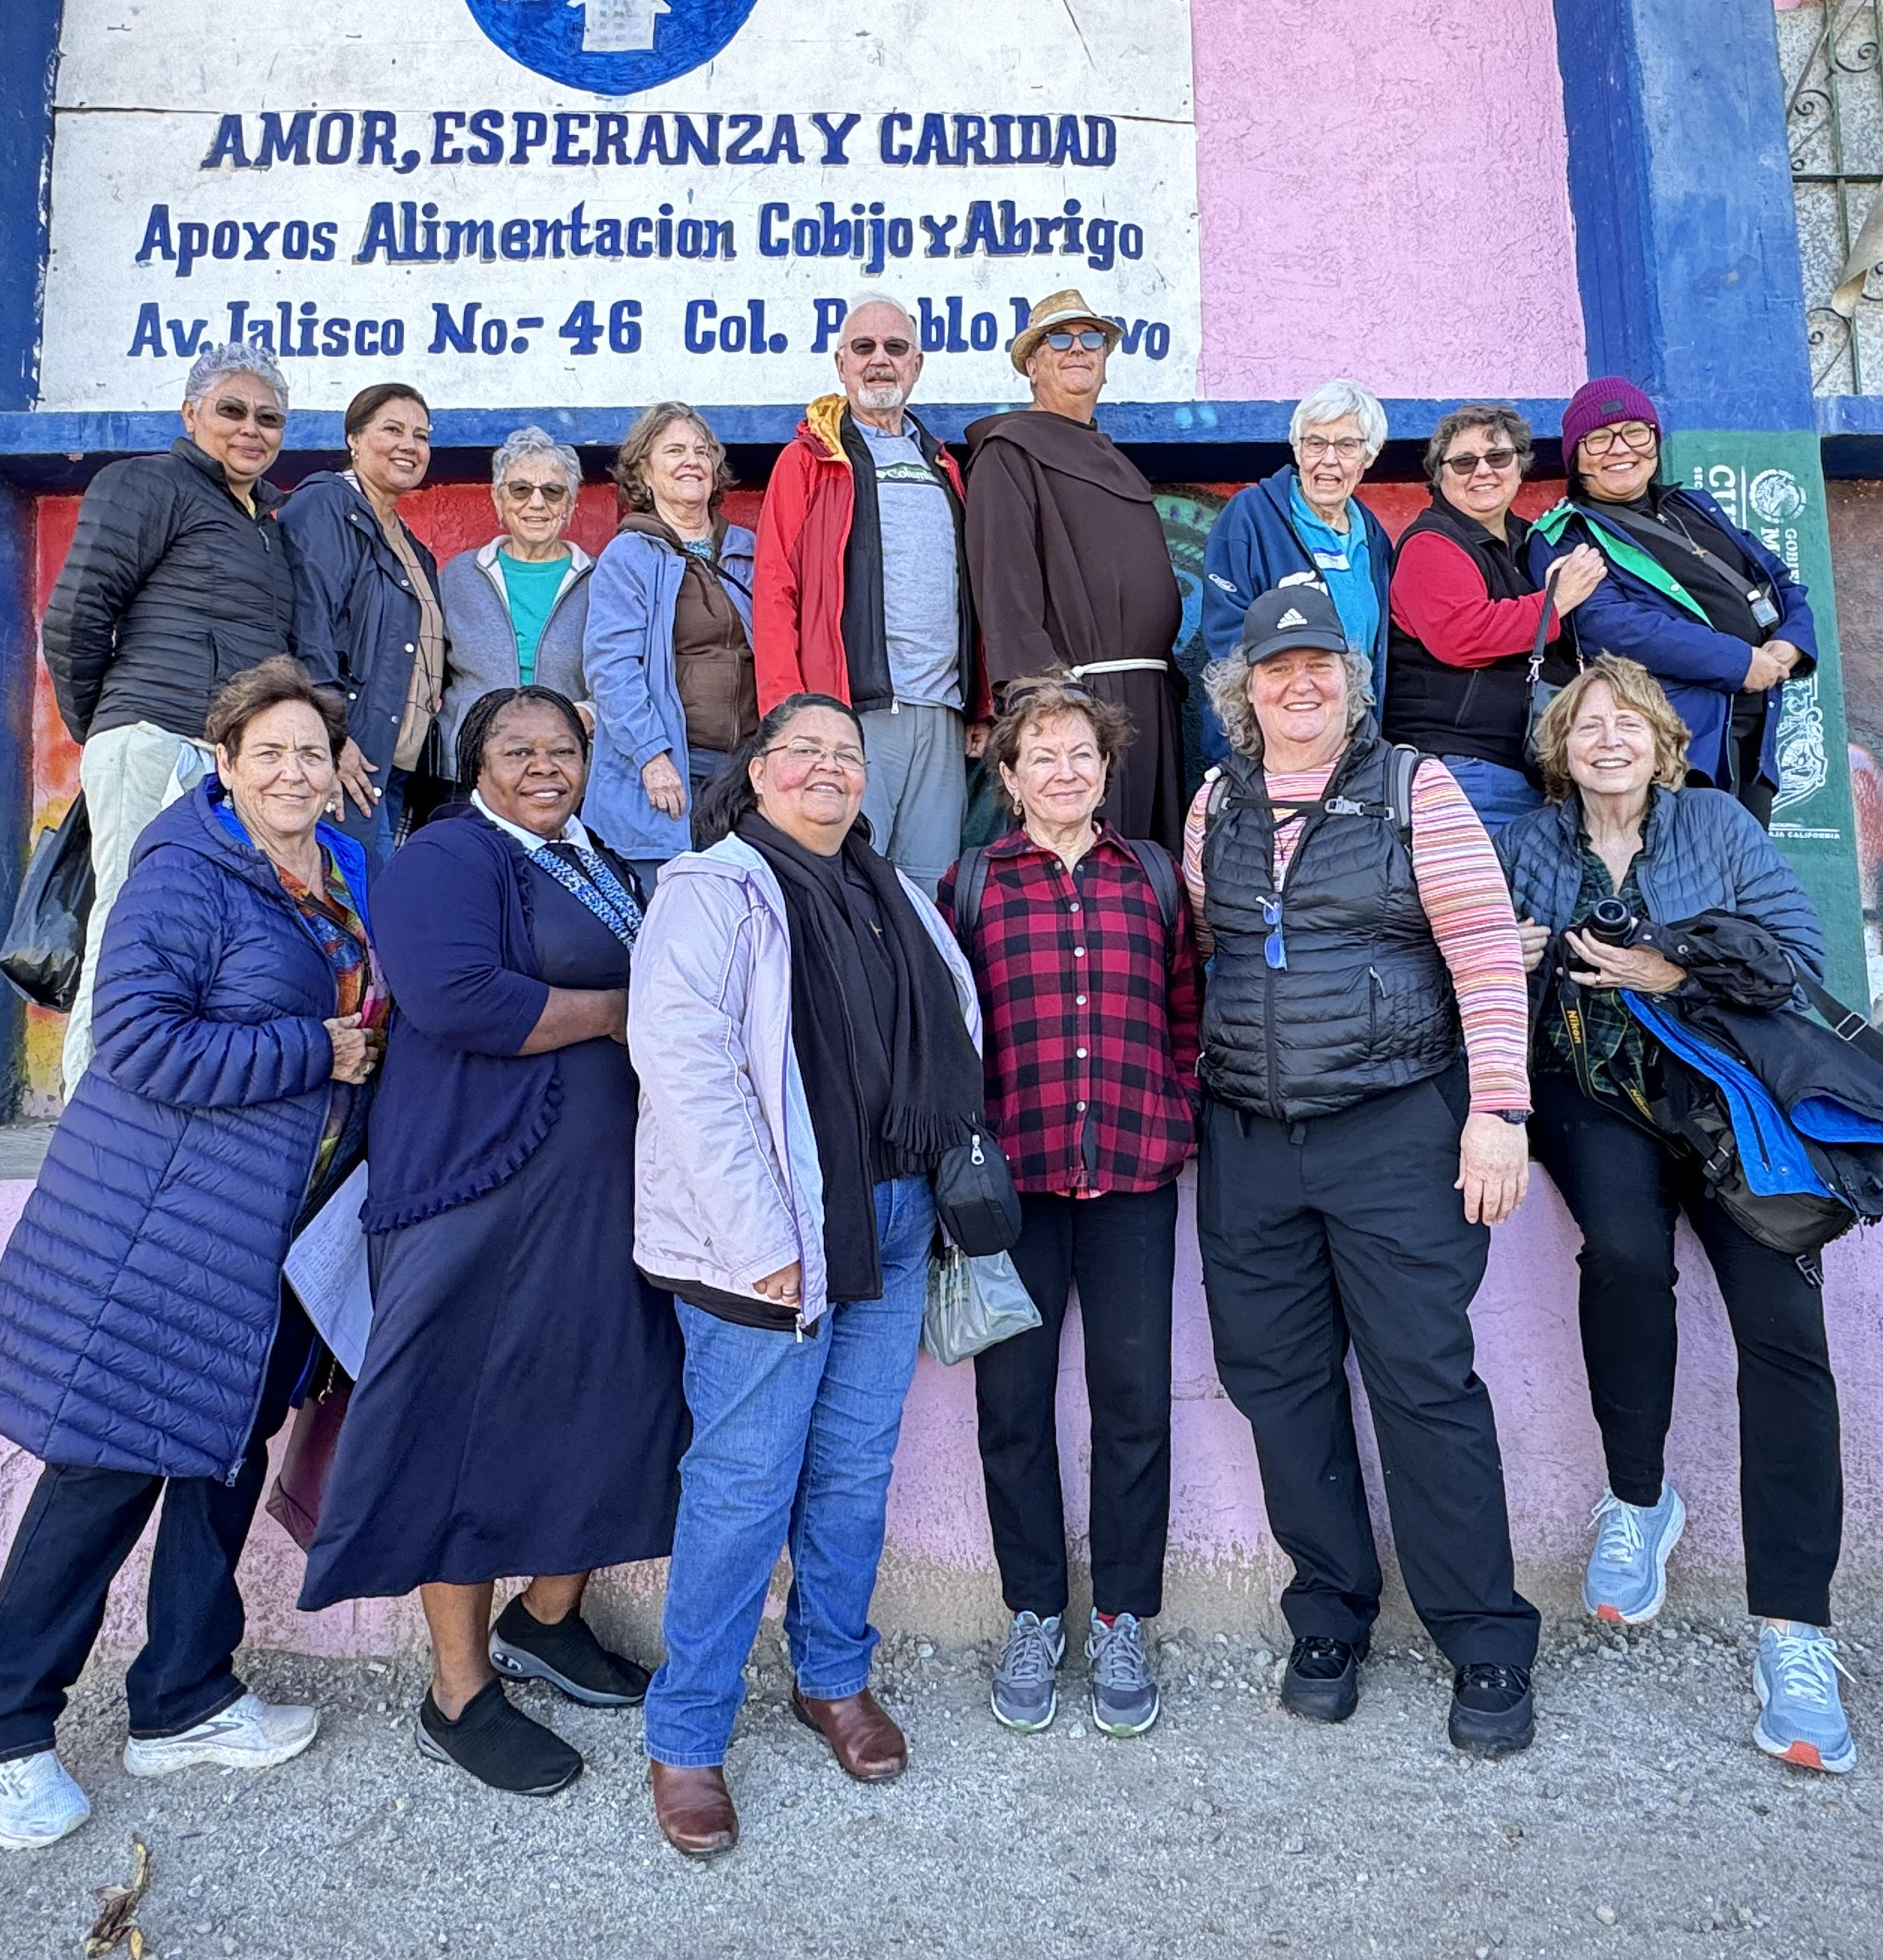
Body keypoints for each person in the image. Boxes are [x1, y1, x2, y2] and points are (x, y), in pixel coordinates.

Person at [0, 657, 380, 1851]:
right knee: (102, 1474)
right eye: (270, 753)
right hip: (165, 1229)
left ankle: (184, 1698)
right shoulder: (185, 874)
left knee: (221, 1463)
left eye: (312, 752)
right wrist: (317, 1053)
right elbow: (138, 1043)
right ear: (226, 763)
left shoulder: (338, 869)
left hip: (275, 1234)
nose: (294, 772)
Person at [299, 686, 687, 1797]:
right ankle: (458, 1690)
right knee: (460, 1429)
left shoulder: (596, 859)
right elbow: (457, 996)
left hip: (598, 1198)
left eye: (562, 748)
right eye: (517, 749)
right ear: (478, 765)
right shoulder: (445, 858)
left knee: (607, 1403)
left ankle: (547, 1620)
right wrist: (618, 1012)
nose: (544, 765)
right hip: (477, 1191)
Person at [1184, 576, 1543, 1756]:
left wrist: (1498, 1109)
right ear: (1246, 692)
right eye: (1278, 669)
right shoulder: (1212, 807)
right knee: (1277, 1385)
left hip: (1397, 1132)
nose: (1301, 683)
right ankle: (1329, 1611)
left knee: (1424, 1384)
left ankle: (1484, 1637)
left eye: (1320, 665)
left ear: (1352, 682)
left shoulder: (1414, 790)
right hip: (1250, 1143)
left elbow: (1487, 953)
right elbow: (1208, 954)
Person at [625, 693, 984, 1857]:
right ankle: (686, 1738)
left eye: (849, 755)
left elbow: (956, 1027)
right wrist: (759, 1236)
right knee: (741, 1484)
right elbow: (687, 1073)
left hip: (887, 1217)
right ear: (760, 773)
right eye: (806, 752)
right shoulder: (713, 892)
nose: (830, 769)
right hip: (770, 1239)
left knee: (853, 1466)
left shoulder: (897, 895)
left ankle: (832, 1676)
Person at [1494, 657, 1857, 1773]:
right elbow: (1478, 967)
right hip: (1592, 1096)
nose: (1607, 740)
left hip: (1727, 1091)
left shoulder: (1719, 828)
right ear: (1561, 748)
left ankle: (1794, 1631)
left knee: (1783, 1329)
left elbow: (1802, 960)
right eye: (1587, 725)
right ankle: (1639, 1496)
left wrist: (1671, 971)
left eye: (1628, 724)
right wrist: (1512, 967)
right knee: (1625, 1248)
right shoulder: (1533, 841)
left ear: (1662, 741)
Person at [938, 675, 1198, 1741]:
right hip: (1015, 1195)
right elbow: (947, 1036)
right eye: (1040, 755)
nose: (1063, 771)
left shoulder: (1153, 878)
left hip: (1134, 1174)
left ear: (1105, 771)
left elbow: (1188, 1008)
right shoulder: (969, 886)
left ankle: (1126, 1617)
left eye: (1081, 754)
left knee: (1136, 1403)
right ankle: (1036, 1613)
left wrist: (1175, 1100)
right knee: (1014, 1411)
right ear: (1007, 777)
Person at [43, 345, 301, 1094]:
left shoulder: (262, 519)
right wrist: (109, 726)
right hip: (155, 739)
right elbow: (77, 616)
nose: (251, 429)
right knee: (128, 924)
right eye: (232, 410)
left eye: (269, 417)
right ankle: (95, 1104)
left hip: (221, 754)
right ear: (190, 414)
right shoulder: (147, 483)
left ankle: (160, 1098)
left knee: (202, 929)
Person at [753, 298, 986, 893]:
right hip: (849, 714)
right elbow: (775, 591)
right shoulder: (807, 462)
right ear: (840, 364)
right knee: (846, 881)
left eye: (895, 348)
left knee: (930, 891)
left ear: (917, 364)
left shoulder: (944, 466)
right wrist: (786, 717)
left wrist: (980, 702)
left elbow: (971, 592)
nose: (880, 360)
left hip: (941, 714)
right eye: (864, 348)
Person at [1525, 376, 1816, 824]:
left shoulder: (1697, 508)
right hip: (1673, 739)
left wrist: (1790, 644)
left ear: (1655, 441)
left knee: (1745, 879)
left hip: (1755, 728)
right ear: (1575, 458)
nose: (1620, 449)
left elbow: (1780, 581)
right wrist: (1740, 662)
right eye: (1599, 440)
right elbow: (1612, 626)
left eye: (1635, 432)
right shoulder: (1569, 533)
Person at [965, 289, 1186, 850]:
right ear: (1032, 364)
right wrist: (1049, 708)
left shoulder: (1115, 459)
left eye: (1093, 339)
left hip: (1149, 701)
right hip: (1078, 708)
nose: (1078, 348)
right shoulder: (1008, 453)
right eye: (1058, 338)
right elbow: (1006, 593)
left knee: (1146, 874)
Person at [1383, 402, 1608, 834]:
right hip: (1465, 769)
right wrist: (1554, 603)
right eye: (1464, 462)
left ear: (1520, 466)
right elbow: (1462, 636)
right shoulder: (1430, 545)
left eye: (1498, 457)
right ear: (1439, 475)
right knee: (1486, 901)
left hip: (1530, 768)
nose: (1482, 471)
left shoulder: (1529, 540)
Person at [583, 402, 759, 878]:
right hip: (674, 765)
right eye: (675, 450)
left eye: (702, 451)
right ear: (646, 471)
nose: (692, 461)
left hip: (745, 771)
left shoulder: (749, 549)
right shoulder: (630, 555)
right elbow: (612, 668)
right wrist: (652, 756)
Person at [282, 382, 448, 883]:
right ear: (354, 439)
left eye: (420, 436)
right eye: (392, 430)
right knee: (352, 900)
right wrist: (329, 738)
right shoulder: (326, 507)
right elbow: (308, 627)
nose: (409, 445)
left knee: (377, 902)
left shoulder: (411, 546)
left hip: (390, 763)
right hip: (348, 755)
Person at [1196, 380, 1400, 763]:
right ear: (1297, 450)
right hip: (1267, 742)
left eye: (1347, 446)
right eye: (1316, 444)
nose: (1329, 460)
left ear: (1368, 458)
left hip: (1352, 741)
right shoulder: (1251, 516)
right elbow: (1227, 636)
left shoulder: (1372, 537)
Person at [436, 427, 594, 771]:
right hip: (470, 766)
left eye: (552, 492)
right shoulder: (460, 575)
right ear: (498, 500)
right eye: (520, 489)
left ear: (569, 504)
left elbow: (620, 674)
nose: (536, 503)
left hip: (560, 767)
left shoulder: (599, 582)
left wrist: (588, 713)